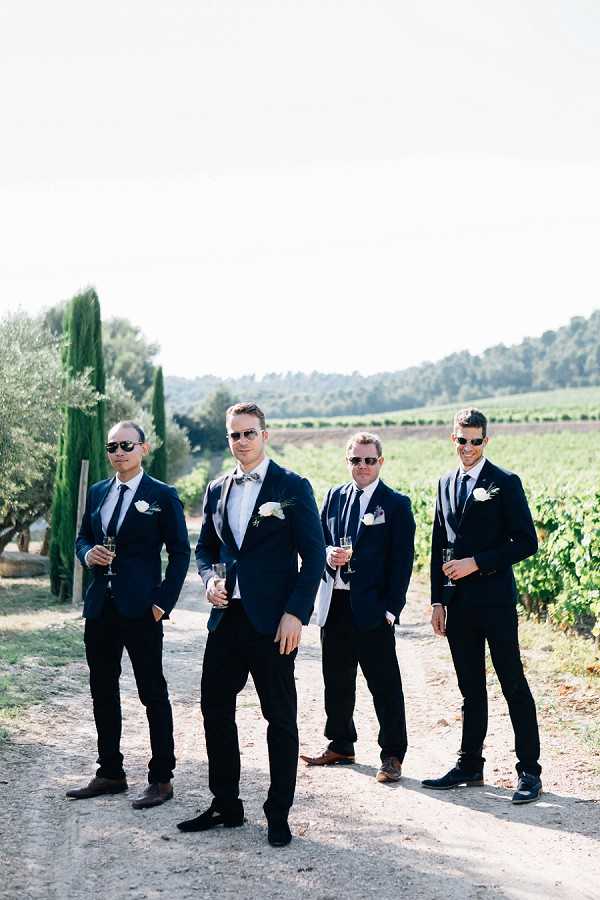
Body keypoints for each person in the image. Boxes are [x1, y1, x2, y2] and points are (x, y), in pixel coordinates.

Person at [177, 402, 325, 847]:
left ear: (265, 434)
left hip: (273, 623)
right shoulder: (217, 488)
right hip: (226, 620)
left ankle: (278, 813)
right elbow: (204, 550)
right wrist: (207, 582)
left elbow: (314, 557)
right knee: (214, 711)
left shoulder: (292, 486)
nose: (241, 441)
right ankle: (226, 804)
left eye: (248, 433)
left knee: (279, 718)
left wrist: (296, 613)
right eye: (234, 435)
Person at [67, 421, 190, 809]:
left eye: (126, 445)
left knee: (152, 692)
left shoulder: (162, 495)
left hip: (142, 611)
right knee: (102, 690)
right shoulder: (99, 491)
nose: (118, 451)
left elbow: (181, 553)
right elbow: (82, 537)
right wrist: (87, 554)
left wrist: (161, 604)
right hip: (100, 608)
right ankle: (110, 773)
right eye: (112, 446)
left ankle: (161, 778)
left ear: (143, 448)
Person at [422, 408, 542, 803]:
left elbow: (526, 541)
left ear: (486, 441)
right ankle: (470, 764)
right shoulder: (444, 482)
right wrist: (438, 598)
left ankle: (529, 772)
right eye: (462, 440)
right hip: (458, 606)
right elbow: (439, 542)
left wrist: (477, 562)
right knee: (470, 688)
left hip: (495, 600)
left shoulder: (505, 483)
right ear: (452, 439)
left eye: (476, 440)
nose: (468, 447)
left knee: (512, 683)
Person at [300, 432, 415, 783]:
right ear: (347, 461)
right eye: (355, 460)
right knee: (336, 678)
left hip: (373, 607)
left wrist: (391, 610)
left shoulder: (395, 504)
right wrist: (327, 555)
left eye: (368, 460)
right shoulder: (334, 497)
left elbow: (402, 562)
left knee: (384, 684)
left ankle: (392, 755)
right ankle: (341, 743)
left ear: (380, 462)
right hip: (334, 601)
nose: (362, 466)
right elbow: (316, 542)